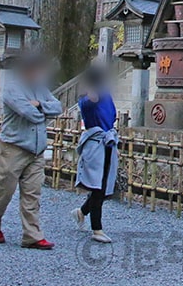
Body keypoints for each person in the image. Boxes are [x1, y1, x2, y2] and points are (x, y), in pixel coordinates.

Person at [0, 52, 62, 249]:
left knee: (32, 194)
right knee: (3, 192)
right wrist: (43, 109)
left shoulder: (40, 89)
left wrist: (40, 104)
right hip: (13, 148)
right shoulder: (12, 89)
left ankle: (32, 235)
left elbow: (58, 107)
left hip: (36, 150)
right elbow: (30, 114)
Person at [72, 64, 119, 244]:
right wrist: (90, 88)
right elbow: (90, 100)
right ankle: (97, 228)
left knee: (105, 184)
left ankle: (82, 212)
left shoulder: (105, 95)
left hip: (107, 142)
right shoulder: (87, 98)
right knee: (98, 186)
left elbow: (112, 116)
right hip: (95, 144)